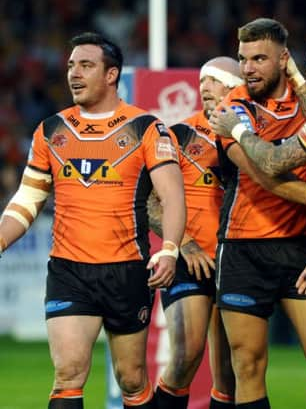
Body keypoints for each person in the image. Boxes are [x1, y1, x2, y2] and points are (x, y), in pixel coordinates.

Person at [0, 32, 185, 408]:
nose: (74, 74)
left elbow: (172, 195)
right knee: (68, 372)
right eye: (71, 65)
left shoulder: (145, 128)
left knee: (132, 380)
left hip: (127, 270)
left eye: (86, 65)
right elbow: (29, 198)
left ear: (112, 74)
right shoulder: (51, 130)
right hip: (69, 271)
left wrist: (169, 250)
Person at [209, 18, 306, 409]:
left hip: (298, 248)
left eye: (259, 58)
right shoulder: (234, 108)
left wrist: (299, 80)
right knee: (247, 364)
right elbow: (264, 173)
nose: (248, 68)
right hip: (243, 250)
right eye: (243, 58)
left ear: (284, 60)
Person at [148, 57, 243, 409]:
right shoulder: (180, 135)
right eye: (202, 80)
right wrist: (183, 244)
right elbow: (149, 202)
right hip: (191, 260)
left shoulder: (255, 136)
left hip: (237, 259)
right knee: (186, 355)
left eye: (215, 80)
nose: (204, 86)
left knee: (230, 371)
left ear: (235, 86)